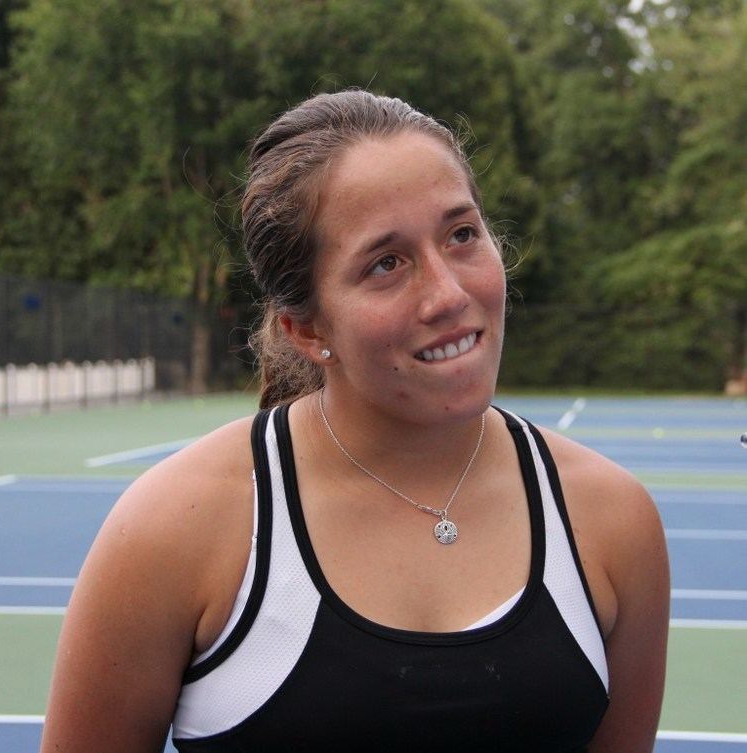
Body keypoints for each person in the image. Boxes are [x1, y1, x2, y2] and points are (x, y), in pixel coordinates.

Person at [41, 90, 669, 753]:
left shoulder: (611, 520)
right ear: (306, 328)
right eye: (386, 263)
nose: (449, 294)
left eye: (461, 234)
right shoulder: (175, 528)